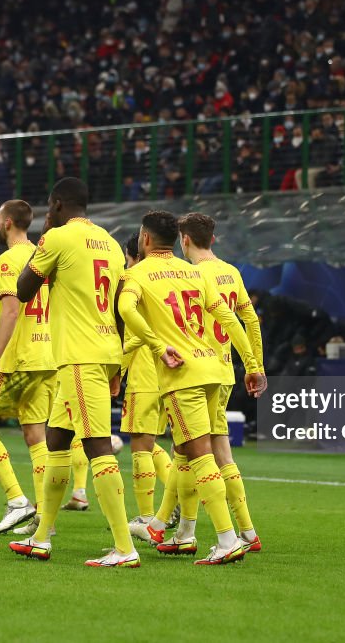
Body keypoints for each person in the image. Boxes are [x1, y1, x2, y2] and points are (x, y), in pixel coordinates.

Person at [119, 210, 265, 565]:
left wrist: (154, 346)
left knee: (201, 455)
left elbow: (126, 310)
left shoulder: (136, 273)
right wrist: (253, 365)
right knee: (185, 450)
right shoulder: (194, 273)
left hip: (182, 374)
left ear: (146, 239)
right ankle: (181, 532)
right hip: (214, 368)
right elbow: (231, 318)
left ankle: (228, 539)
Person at [7, 177, 137, 567]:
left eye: (50, 206)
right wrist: (117, 365)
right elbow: (116, 306)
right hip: (102, 350)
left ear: (59, 205)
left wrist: (45, 237)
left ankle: (124, 548)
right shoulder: (111, 244)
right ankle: (42, 537)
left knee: (97, 445)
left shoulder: (57, 238)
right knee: (57, 440)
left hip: (79, 355)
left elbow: (24, 288)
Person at [174, 211, 266, 552]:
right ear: (212, 238)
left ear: (184, 239)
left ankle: (185, 532)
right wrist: (254, 364)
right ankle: (246, 531)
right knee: (215, 448)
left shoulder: (188, 274)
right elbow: (250, 321)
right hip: (226, 371)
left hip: (195, 373)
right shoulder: (231, 272)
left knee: (191, 450)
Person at [0, 200, 54, 536]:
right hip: (48, 356)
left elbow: (10, 312)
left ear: (6, 223)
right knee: (36, 435)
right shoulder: (44, 256)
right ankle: (44, 518)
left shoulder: (10, 259)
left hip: (19, 357)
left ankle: (17, 501)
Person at [119, 233, 174, 533]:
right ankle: (172, 496)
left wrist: (118, 369)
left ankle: (146, 515)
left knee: (140, 445)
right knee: (153, 444)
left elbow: (130, 333)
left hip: (143, 370)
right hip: (170, 370)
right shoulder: (169, 278)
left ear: (133, 256)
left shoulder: (132, 280)